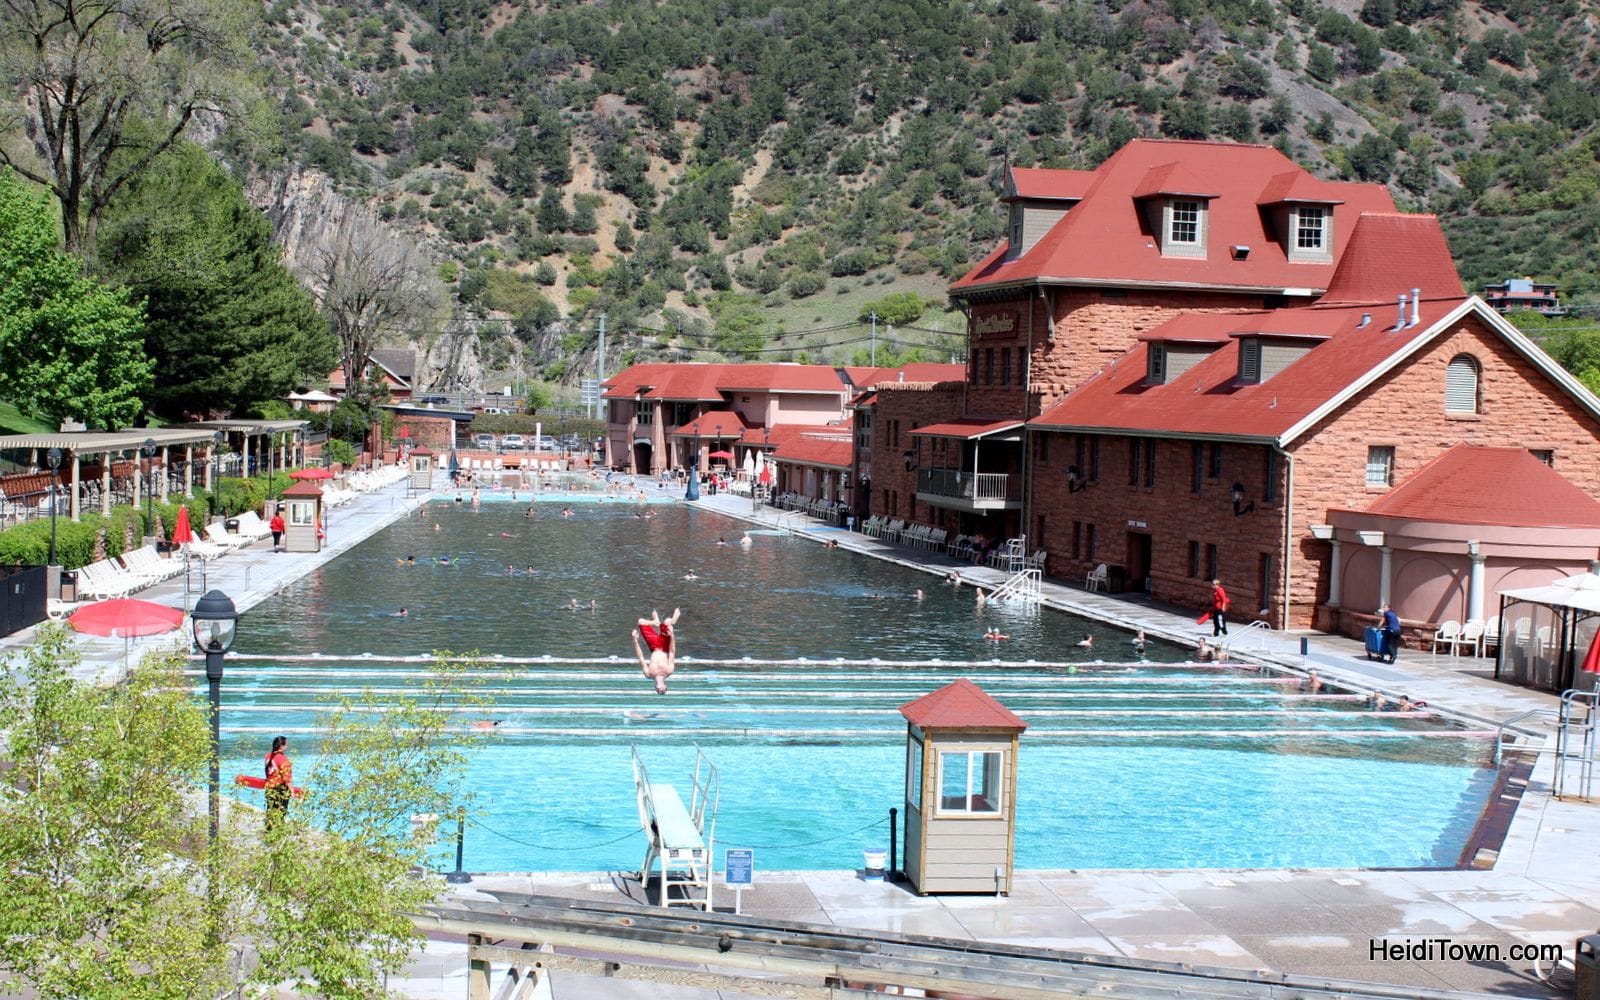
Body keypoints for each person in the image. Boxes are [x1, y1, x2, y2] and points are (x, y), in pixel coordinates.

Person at [633, 608, 682, 694]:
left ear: (655, 687)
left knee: (640, 621)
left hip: (653, 646)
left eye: (659, 690)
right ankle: (674, 620)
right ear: (666, 686)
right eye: (663, 690)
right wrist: (672, 635)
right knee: (667, 622)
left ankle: (655, 622)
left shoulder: (648, 674)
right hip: (664, 646)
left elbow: (640, 657)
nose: (661, 689)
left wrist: (635, 640)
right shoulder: (669, 671)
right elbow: (672, 652)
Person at [264, 736, 293, 832]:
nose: (287, 746)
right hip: (280, 789)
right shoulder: (283, 759)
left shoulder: (268, 757)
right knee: (281, 812)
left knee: (270, 810)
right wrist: (292, 791)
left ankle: (268, 831)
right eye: (286, 744)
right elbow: (287, 778)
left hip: (269, 787)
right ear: (281, 746)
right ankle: (278, 832)